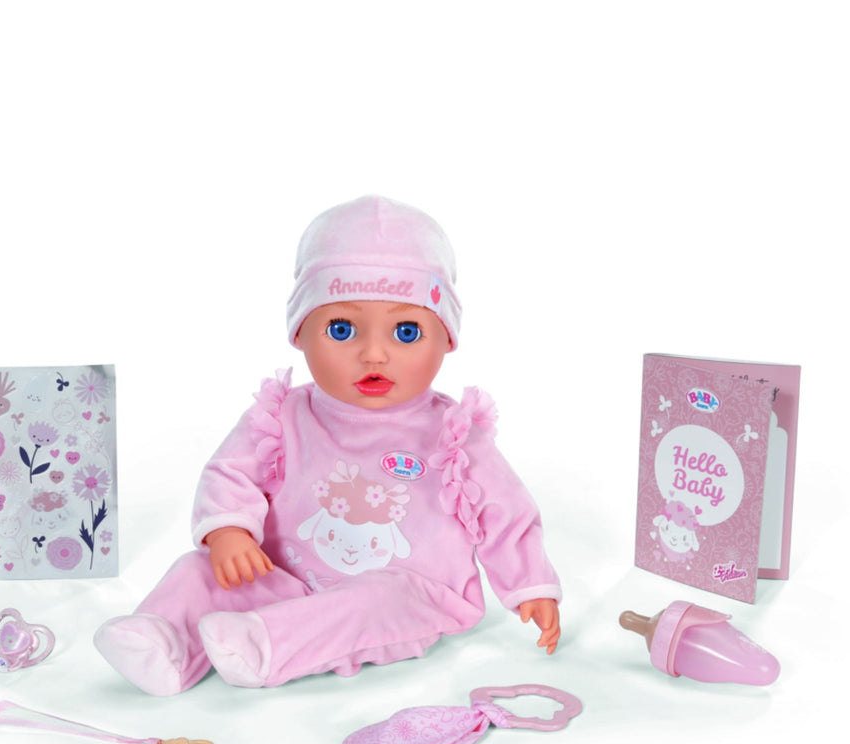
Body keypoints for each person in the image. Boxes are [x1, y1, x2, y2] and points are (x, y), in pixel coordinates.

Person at [95, 195, 561, 694]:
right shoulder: (283, 414)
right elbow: (231, 472)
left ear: (446, 339)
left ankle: (266, 646)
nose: (373, 353)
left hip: (414, 594)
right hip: (285, 578)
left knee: (376, 599)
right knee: (199, 570)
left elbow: (505, 512)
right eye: (342, 330)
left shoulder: (453, 433)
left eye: (406, 331)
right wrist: (229, 531)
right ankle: (161, 640)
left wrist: (530, 585)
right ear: (300, 333)